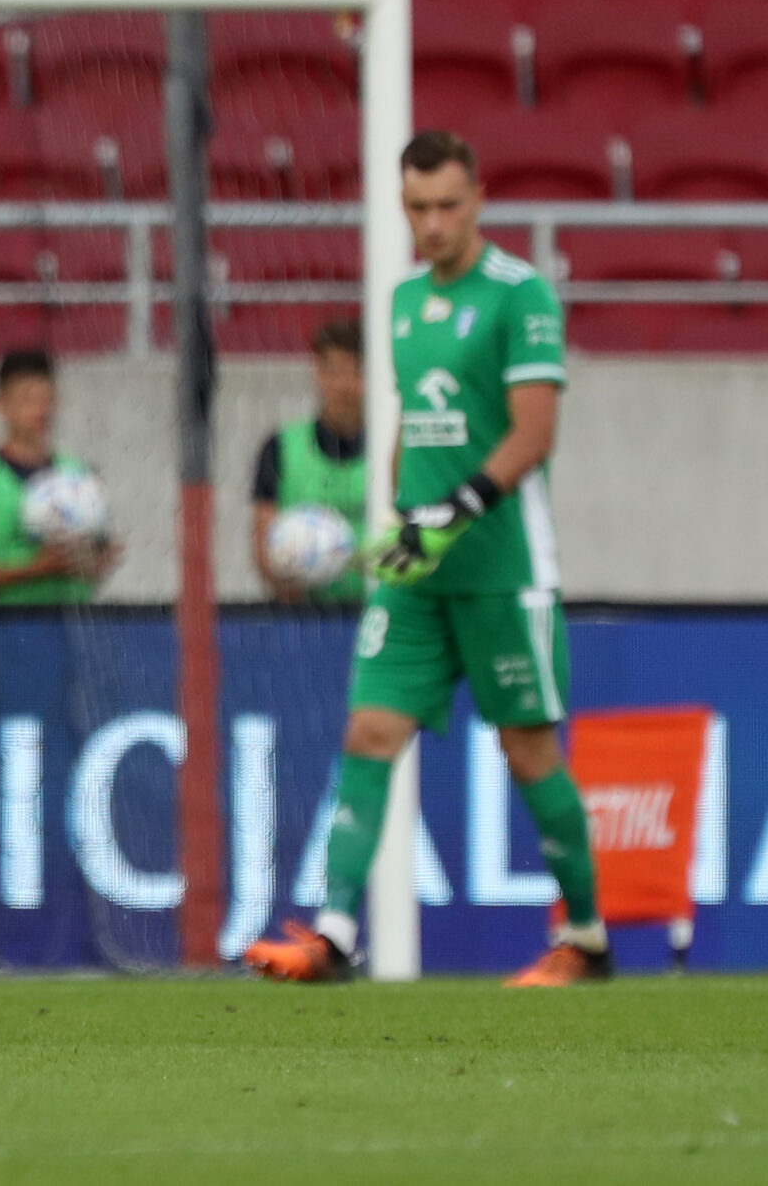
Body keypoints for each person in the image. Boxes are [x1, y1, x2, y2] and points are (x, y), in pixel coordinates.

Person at [243, 130, 607, 987]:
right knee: (369, 730)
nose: (432, 223)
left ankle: (586, 939)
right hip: (421, 569)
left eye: (447, 205)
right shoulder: (404, 301)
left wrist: (460, 507)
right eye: (417, 207)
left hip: (503, 569)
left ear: (479, 196)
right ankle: (332, 934)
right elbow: (413, 423)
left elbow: (534, 432)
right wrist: (406, 515)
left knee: (528, 753)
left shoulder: (521, 296)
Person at [0, 349, 119, 603]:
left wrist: (97, 560)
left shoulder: (81, 475)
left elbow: (98, 558)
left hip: (69, 629)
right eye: (27, 399)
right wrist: (38, 568)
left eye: (46, 398)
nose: (40, 410)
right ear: (0, 403)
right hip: (0, 630)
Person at [251, 317, 367, 603]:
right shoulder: (281, 447)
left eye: (357, 372)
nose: (344, 385)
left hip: (377, 610)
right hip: (303, 615)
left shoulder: (393, 449)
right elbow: (262, 539)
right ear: (317, 374)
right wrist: (285, 576)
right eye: (333, 371)